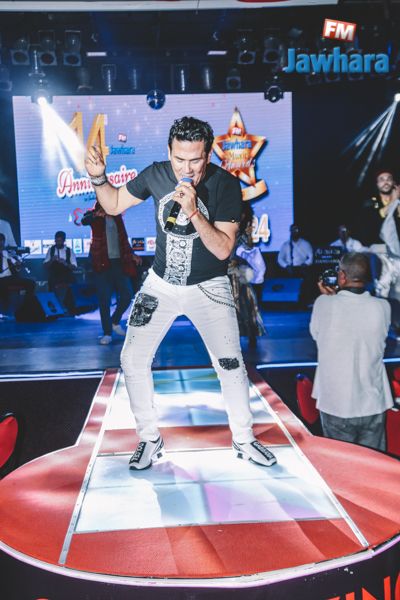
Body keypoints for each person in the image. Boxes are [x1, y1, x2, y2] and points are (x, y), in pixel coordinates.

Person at [85, 115, 277, 470]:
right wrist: (98, 177)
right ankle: (149, 439)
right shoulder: (156, 174)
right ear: (168, 151)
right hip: (161, 283)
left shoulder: (225, 185)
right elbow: (112, 204)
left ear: (208, 155)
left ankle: (244, 438)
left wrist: (194, 212)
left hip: (210, 285)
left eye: (195, 160)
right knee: (132, 358)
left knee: (230, 363)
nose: (186, 169)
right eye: (179, 159)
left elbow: (223, 249)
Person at [310, 252, 392, 451]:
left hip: (337, 402)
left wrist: (328, 297)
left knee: (342, 463)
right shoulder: (383, 307)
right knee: (373, 462)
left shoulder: (323, 303)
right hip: (373, 402)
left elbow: (316, 334)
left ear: (342, 276)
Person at [81, 202, 135, 345]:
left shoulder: (117, 217)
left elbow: (123, 239)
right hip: (101, 263)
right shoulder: (94, 216)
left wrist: (132, 254)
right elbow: (84, 220)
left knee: (127, 295)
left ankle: (114, 321)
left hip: (119, 262)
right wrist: (95, 215)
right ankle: (107, 333)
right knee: (104, 300)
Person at [228, 203, 266, 348]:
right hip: (222, 272)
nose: (241, 215)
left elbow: (249, 247)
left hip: (235, 273)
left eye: (243, 213)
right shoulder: (224, 226)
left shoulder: (241, 232)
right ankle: (231, 336)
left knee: (246, 301)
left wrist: (249, 234)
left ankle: (250, 333)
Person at [0, 232, 35, 311]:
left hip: (10, 278)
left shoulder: (8, 253)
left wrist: (18, 265)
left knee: (31, 283)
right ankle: (4, 309)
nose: (1, 246)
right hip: (1, 280)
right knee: (2, 286)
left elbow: (17, 267)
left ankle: (26, 307)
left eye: (2, 243)